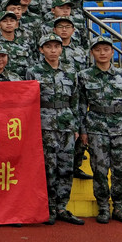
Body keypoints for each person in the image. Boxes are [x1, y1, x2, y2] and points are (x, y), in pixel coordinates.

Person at [25, 34, 83, 225]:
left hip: (67, 126)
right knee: (48, 168)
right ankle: (49, 207)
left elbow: (75, 101)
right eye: (48, 47)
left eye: (56, 46)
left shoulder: (70, 71)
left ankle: (62, 207)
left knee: (66, 167)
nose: (53, 50)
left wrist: (75, 126)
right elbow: (28, 101)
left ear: (61, 49)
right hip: (44, 125)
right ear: (41, 50)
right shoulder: (33, 72)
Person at [78, 35, 122, 224]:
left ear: (112, 52)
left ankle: (119, 206)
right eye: (98, 50)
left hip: (121, 127)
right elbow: (81, 105)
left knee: (121, 169)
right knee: (99, 169)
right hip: (96, 127)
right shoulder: (84, 76)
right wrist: (83, 130)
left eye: (106, 49)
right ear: (92, 53)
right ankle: (103, 207)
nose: (102, 53)